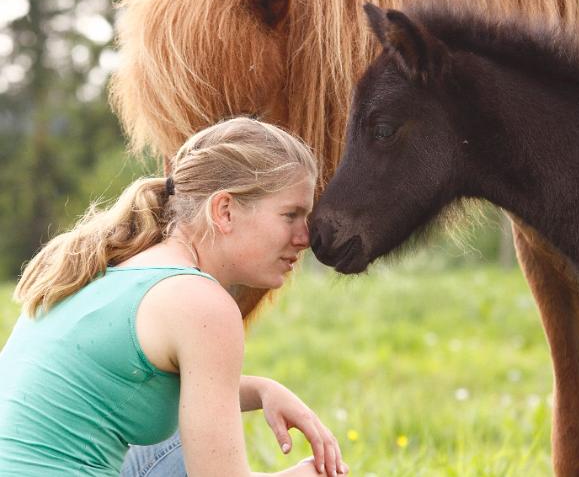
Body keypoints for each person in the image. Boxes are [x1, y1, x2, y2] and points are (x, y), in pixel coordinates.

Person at [0, 117, 348, 477]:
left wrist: (261, 390)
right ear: (224, 211)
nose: (304, 238)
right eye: (290, 215)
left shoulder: (119, 266)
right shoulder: (201, 303)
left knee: (189, 429)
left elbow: (159, 389)